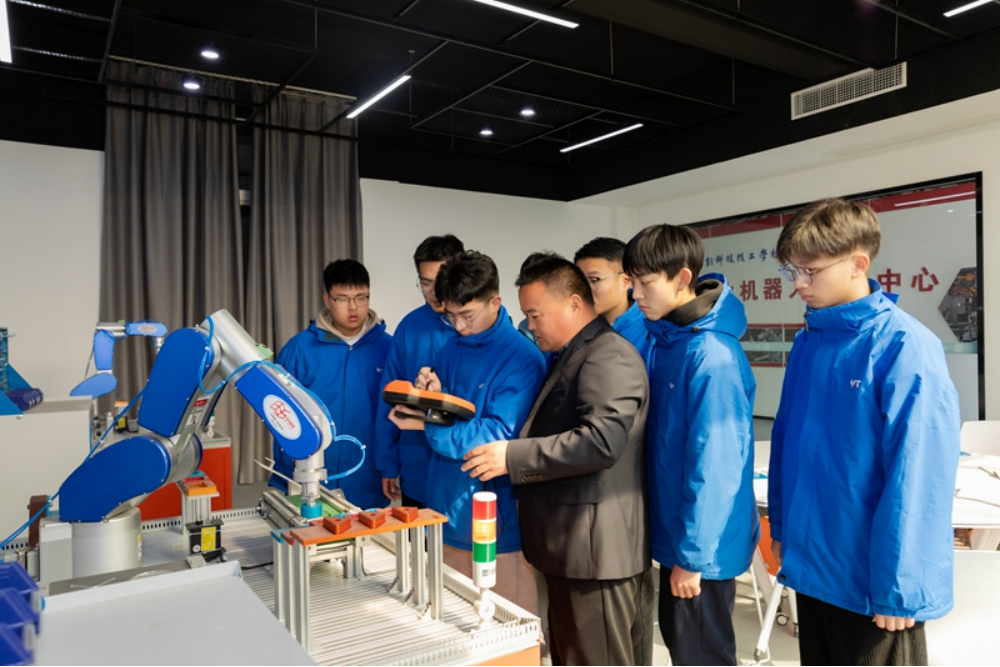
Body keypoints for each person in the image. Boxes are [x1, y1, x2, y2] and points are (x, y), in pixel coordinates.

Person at [768, 199, 961, 666]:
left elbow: (918, 477)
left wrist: (901, 586)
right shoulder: (809, 342)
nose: (798, 284)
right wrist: (783, 528)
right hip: (814, 566)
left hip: (872, 581)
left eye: (810, 271)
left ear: (858, 264)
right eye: (792, 269)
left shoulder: (905, 346)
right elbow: (788, 443)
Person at [463, 252, 654, 666]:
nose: (530, 325)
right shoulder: (571, 353)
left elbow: (601, 441)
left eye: (535, 315)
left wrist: (513, 456)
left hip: (595, 555)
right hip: (573, 551)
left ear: (573, 304)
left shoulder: (608, 355)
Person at [624, 224, 759, 666]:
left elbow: (715, 466)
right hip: (679, 535)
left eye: (645, 283)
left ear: (682, 278)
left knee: (701, 654)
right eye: (632, 283)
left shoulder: (710, 356)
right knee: (685, 648)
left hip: (702, 547)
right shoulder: (667, 340)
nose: (636, 295)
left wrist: (693, 557)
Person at [388, 250, 545, 612]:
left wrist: (429, 423)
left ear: (495, 303)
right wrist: (431, 392)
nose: (458, 326)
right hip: (445, 502)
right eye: (451, 316)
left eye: (467, 316)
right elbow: (450, 408)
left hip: (495, 515)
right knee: (449, 619)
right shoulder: (451, 347)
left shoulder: (522, 358)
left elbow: (494, 433)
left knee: (507, 622)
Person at [270, 259, 393, 511]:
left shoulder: (388, 348)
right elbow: (280, 415)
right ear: (327, 299)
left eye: (361, 298)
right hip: (310, 480)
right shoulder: (299, 349)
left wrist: (390, 466)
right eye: (342, 299)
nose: (353, 307)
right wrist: (286, 473)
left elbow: (395, 415)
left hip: (368, 478)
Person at [374, 234, 464, 507]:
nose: (435, 291)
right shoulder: (409, 328)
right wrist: (388, 462)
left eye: (441, 280)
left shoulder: (478, 327)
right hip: (417, 470)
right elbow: (389, 397)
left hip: (464, 475)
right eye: (426, 283)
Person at [574, 237, 651, 359]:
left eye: (594, 280)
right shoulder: (572, 327)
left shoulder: (651, 330)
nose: (583, 289)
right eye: (579, 281)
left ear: (626, 281)